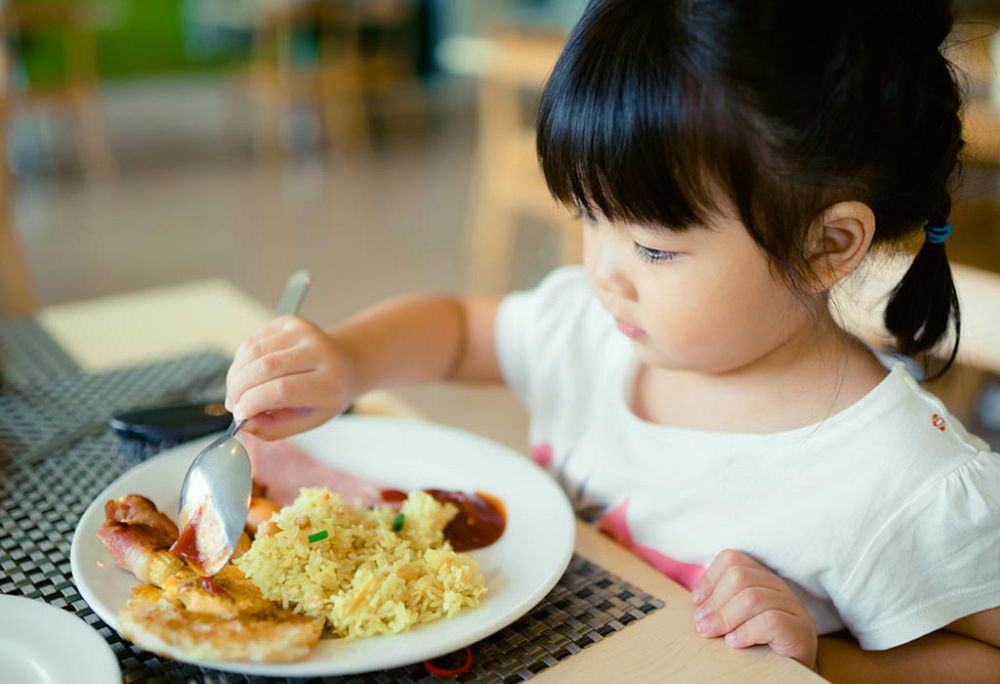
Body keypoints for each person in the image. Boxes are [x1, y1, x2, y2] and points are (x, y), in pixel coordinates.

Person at [224, 0, 1000, 679]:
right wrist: (348, 361)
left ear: (828, 245)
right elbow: (460, 330)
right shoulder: (595, 331)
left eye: (654, 248)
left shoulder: (905, 482)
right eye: (587, 217)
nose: (602, 270)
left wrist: (822, 658)